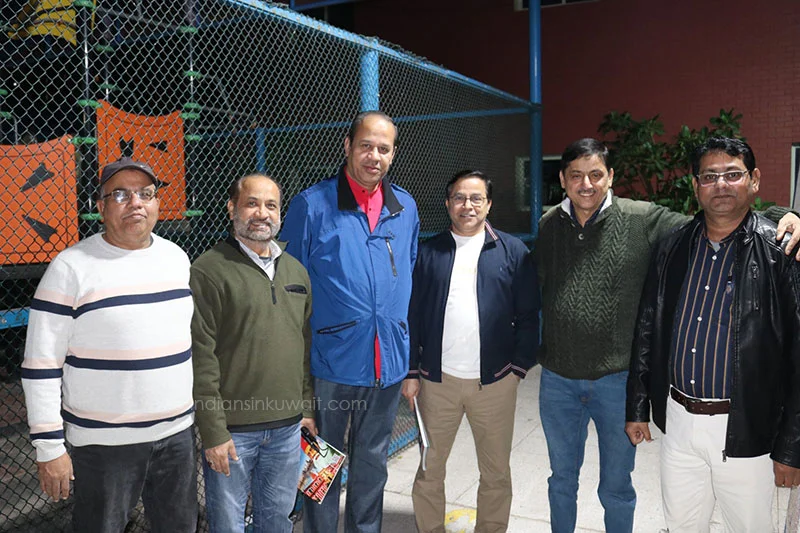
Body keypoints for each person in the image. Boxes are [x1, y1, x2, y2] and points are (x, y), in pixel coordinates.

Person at [533, 138, 800, 533]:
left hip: (622, 383)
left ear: (611, 177)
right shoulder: (549, 225)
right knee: (563, 480)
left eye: (595, 174)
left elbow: (721, 212)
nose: (586, 184)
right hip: (566, 383)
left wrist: (787, 214)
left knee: (618, 487)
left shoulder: (642, 219)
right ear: (562, 180)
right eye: (576, 175)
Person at [626, 137, 800, 532]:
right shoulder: (672, 247)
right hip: (678, 422)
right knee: (682, 524)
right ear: (695, 186)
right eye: (709, 176)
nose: (721, 184)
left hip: (747, 426)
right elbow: (647, 328)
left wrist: (791, 445)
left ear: (754, 180)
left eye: (733, 174)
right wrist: (637, 406)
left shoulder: (781, 251)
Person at [21, 157, 196, 532]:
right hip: (104, 445)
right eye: (120, 194)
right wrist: (49, 447)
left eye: (145, 193)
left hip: (177, 437)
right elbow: (40, 365)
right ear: (100, 207)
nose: (135, 203)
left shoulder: (176, 259)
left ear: (157, 202)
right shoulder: (70, 267)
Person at [281, 110, 420, 533]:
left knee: (372, 464)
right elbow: (290, 289)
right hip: (330, 364)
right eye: (366, 146)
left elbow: (407, 274)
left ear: (393, 154)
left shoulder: (405, 207)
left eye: (383, 148)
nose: (374, 156)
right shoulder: (311, 205)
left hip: (387, 365)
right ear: (347, 146)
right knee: (321, 468)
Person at [402, 170, 539, 533]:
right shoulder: (429, 253)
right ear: (448, 203)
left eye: (476, 198)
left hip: (494, 383)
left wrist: (517, 369)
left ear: (489, 204)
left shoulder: (512, 250)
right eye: (460, 198)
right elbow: (412, 315)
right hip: (437, 383)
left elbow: (530, 315)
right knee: (430, 469)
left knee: (495, 472)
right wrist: (412, 372)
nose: (468, 206)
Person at [190, 174, 315, 533]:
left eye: (271, 205)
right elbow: (201, 358)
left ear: (280, 214)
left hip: (287, 428)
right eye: (252, 203)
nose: (262, 213)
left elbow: (302, 349)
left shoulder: (296, 271)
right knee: (228, 525)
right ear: (232, 208)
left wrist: (307, 409)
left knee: (276, 521)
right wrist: (213, 431)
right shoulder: (208, 270)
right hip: (232, 433)